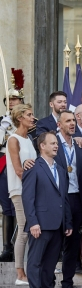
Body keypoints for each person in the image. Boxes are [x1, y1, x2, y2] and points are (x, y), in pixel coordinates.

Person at [23, 131, 73, 288]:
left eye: (56, 143)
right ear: (42, 146)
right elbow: (28, 198)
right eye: (52, 143)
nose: (56, 146)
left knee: (50, 264)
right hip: (40, 224)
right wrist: (33, 222)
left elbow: (64, 198)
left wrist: (67, 222)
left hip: (58, 224)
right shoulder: (33, 167)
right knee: (36, 262)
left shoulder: (60, 169)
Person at [55, 111, 82, 288]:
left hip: (76, 198)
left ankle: (67, 284)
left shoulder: (79, 144)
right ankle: (48, 284)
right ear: (59, 125)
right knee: (55, 244)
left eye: (74, 120)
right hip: (59, 198)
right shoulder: (52, 143)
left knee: (73, 244)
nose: (72, 124)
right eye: (68, 121)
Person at [6, 104, 37, 285]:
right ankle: (19, 273)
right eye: (29, 115)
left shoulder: (29, 139)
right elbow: (19, 170)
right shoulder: (13, 139)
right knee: (24, 229)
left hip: (32, 191)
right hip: (19, 191)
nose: (33, 118)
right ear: (20, 118)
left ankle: (33, 267)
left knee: (33, 229)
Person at [0, 84, 25, 262]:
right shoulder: (2, 121)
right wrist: (3, 128)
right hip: (4, 165)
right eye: (8, 100)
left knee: (22, 207)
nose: (11, 103)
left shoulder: (30, 122)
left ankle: (21, 246)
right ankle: (7, 247)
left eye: (15, 99)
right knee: (7, 208)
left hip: (23, 164)